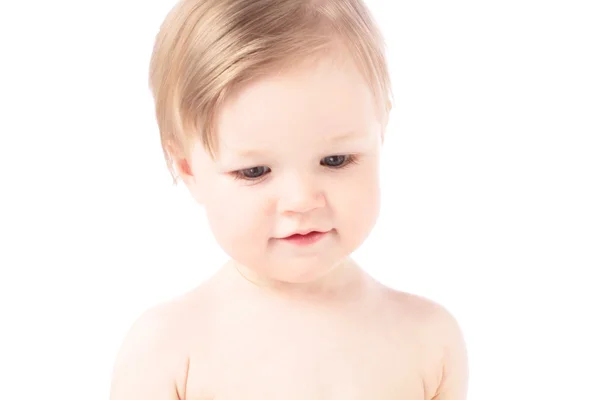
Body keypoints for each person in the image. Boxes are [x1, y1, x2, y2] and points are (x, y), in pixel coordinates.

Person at [110, 0, 469, 398]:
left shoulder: (428, 340)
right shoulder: (168, 350)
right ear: (188, 169)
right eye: (254, 171)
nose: (300, 201)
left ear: (379, 133)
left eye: (335, 160)